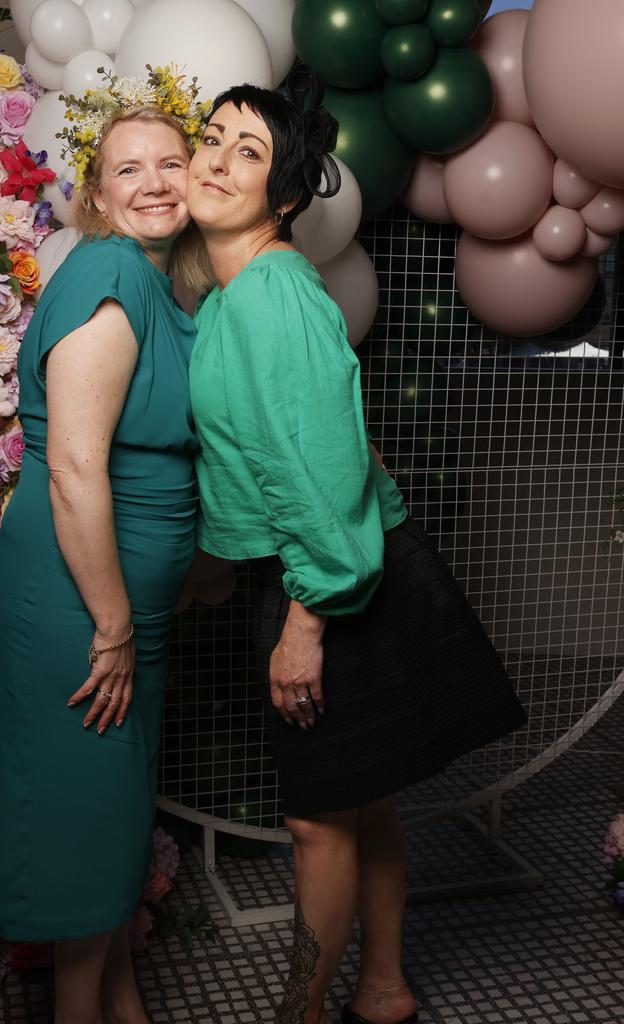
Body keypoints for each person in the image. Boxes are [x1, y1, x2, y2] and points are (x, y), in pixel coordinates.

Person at [187, 68, 527, 1024]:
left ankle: (303, 1017)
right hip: (329, 564)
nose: (217, 158)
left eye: (247, 152)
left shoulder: (269, 297)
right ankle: (384, 989)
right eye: (212, 136)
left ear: (285, 197)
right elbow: (316, 450)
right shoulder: (237, 294)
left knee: (315, 820)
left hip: (334, 581)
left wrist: (306, 621)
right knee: (363, 800)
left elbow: (323, 485)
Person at [0, 90, 208, 1024]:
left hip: (119, 609)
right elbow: (73, 469)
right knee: (82, 830)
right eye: (127, 169)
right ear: (98, 199)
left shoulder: (158, 280)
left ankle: (123, 1003)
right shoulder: (107, 273)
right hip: (76, 610)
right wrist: (112, 626)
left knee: (112, 823)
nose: (153, 183)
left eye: (170, 163)